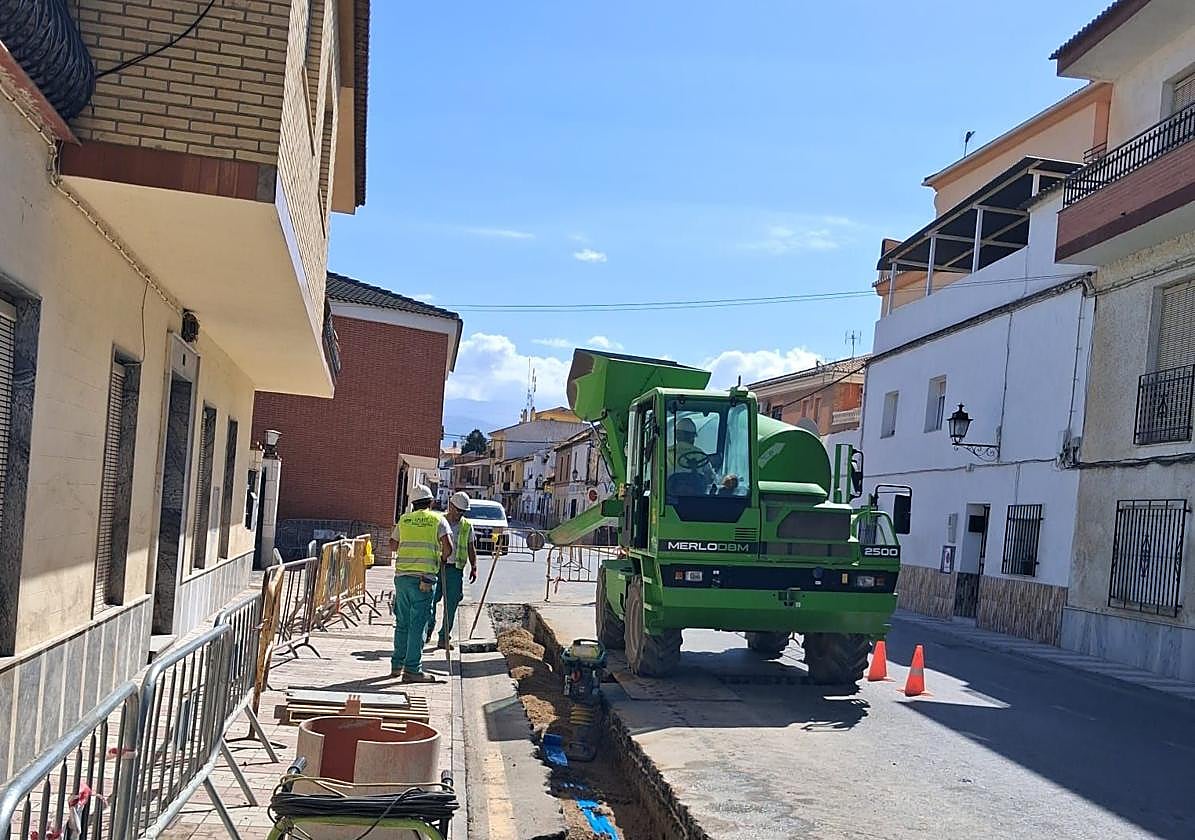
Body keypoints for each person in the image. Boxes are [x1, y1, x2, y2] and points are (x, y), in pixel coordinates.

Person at [389, 483, 451, 683]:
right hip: (424, 579)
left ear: (412, 503)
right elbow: (448, 548)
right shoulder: (438, 520)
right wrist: (440, 558)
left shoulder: (404, 520)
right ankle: (413, 669)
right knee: (418, 624)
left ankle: (397, 664)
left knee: (402, 623)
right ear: (431, 502)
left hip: (402, 578)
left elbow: (393, 544)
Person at [427, 491, 479, 650]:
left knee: (451, 604)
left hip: (455, 569)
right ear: (451, 506)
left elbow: (471, 547)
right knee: (430, 600)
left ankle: (444, 637)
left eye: (463, 511)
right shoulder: (438, 521)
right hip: (437, 566)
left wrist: (474, 566)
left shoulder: (466, 526)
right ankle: (428, 629)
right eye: (458, 510)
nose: (460, 514)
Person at [667, 416, 716, 490]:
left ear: (676, 435)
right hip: (696, 497)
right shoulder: (700, 453)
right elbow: (710, 477)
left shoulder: (666, 452)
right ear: (692, 436)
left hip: (670, 496)